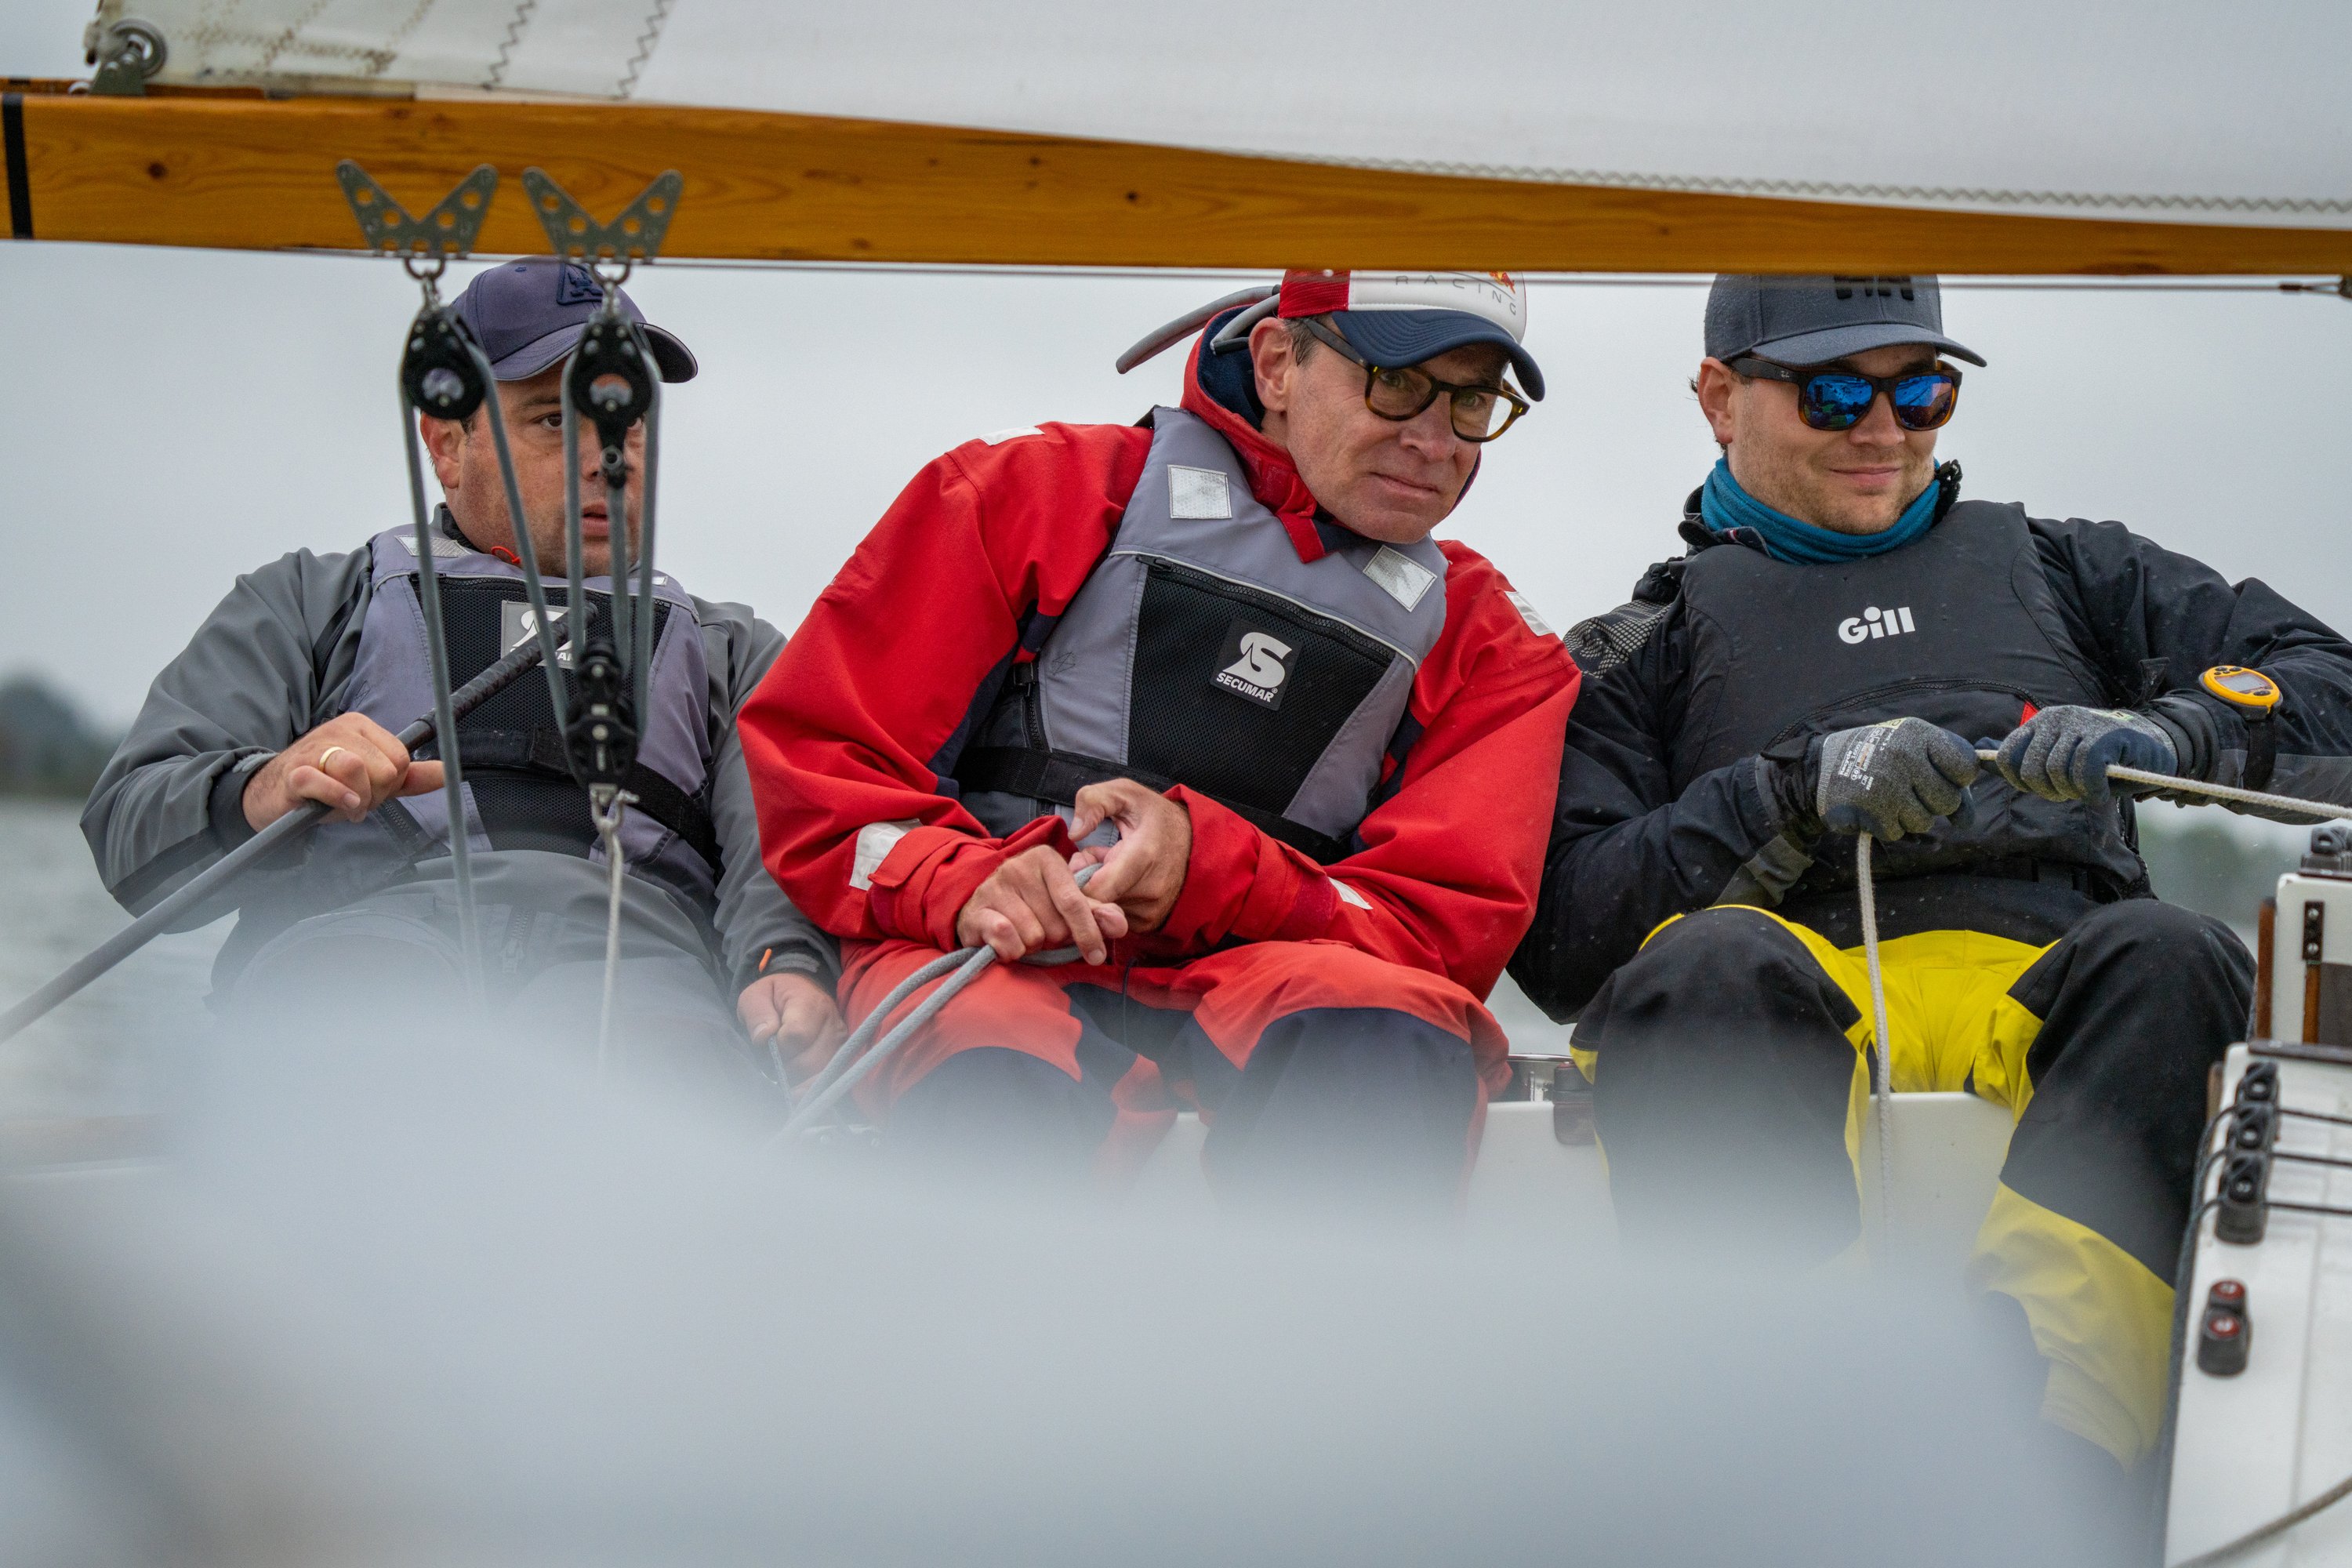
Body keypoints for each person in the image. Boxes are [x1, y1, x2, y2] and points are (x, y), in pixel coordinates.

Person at [1508, 274, 2352, 1472]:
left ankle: (2059, 1469)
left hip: (2057, 985)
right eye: (1833, 393)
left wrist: (2176, 731)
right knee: (1703, 967)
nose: (1883, 428)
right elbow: (1562, 938)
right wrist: (1790, 792)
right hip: (1790, 988)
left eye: (1923, 393)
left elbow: (2330, 685)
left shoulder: (2071, 571)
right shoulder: (1635, 649)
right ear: (1718, 398)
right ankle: (1804, 1460)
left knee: (2174, 955)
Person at [739, 270, 1576, 1207]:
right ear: (1277, 363)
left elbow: (1437, 929)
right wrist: (965, 881)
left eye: (1472, 402)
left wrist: (1202, 867)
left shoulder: (1494, 644)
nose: (1435, 439)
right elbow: (820, 776)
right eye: (1397, 384)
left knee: (1387, 1037)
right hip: (1002, 960)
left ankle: (1334, 1308)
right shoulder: (1032, 492)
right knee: (990, 1079)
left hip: (1276, 972)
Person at [84, 259, 842, 1093]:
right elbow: (129, 836)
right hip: (365, 950)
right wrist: (265, 788)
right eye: (553, 420)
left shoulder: (739, 655)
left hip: (632, 977)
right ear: (447, 444)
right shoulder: (307, 604)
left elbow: (787, 855)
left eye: (626, 421)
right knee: (347, 1023)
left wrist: (787, 963)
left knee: (671, 1064)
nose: (608, 460)